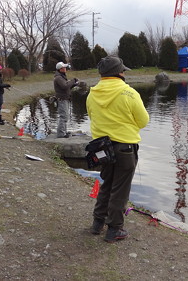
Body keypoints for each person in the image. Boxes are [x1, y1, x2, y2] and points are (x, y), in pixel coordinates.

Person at [86, 56, 149, 243]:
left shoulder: (92, 94)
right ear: (119, 73)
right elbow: (143, 121)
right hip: (125, 148)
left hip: (101, 148)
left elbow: (91, 116)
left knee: (106, 184)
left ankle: (98, 223)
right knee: (120, 190)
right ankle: (114, 229)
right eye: (123, 70)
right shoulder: (129, 93)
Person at [53, 61, 78, 138]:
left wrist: (74, 84)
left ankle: (63, 132)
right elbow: (65, 86)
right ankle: (61, 134)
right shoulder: (58, 78)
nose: (65, 68)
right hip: (62, 99)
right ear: (60, 69)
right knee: (63, 116)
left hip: (64, 99)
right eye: (64, 67)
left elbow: (67, 87)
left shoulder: (61, 77)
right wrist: (73, 80)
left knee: (65, 116)